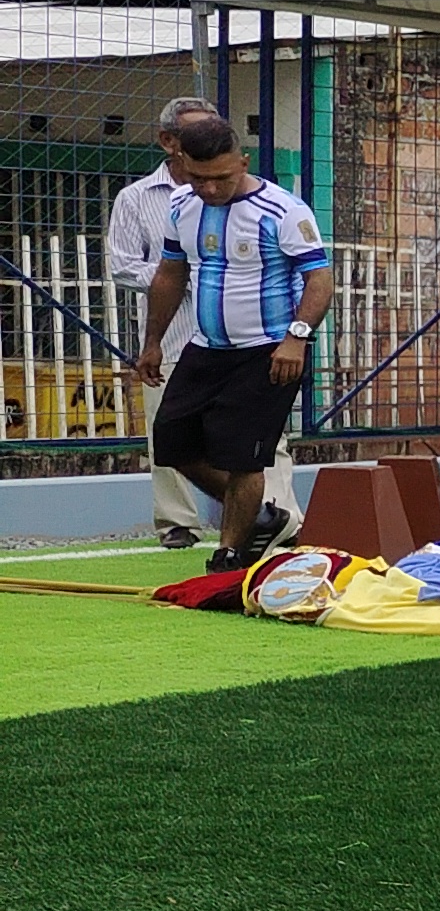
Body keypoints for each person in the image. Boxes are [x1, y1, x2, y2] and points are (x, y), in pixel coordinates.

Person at [129, 112, 331, 573]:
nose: (210, 188)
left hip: (269, 350)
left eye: (221, 178)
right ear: (183, 164)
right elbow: (171, 274)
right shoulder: (182, 206)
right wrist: (153, 341)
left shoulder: (283, 211)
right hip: (206, 347)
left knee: (244, 458)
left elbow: (319, 279)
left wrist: (297, 338)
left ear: (242, 162)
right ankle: (260, 516)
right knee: (172, 443)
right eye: (199, 178)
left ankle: (230, 553)